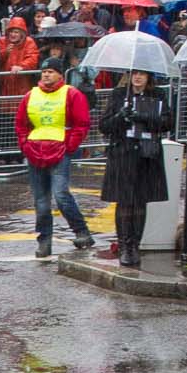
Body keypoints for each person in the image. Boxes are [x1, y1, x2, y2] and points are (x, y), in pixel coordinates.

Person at [17, 54, 95, 258]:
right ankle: (44, 241)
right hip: (35, 151)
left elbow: (82, 123)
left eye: (50, 71)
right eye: (43, 72)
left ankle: (81, 232)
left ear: (60, 75)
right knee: (41, 201)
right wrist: (25, 144)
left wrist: (70, 145)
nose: (46, 75)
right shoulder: (30, 95)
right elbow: (21, 124)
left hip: (60, 151)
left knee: (61, 195)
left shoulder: (72, 94)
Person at [98, 69, 171, 268]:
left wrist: (143, 116)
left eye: (142, 74)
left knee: (140, 202)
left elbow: (167, 122)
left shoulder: (158, 95)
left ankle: (134, 246)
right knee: (124, 202)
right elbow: (103, 125)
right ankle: (124, 245)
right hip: (122, 154)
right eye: (134, 74)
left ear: (148, 78)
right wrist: (121, 116)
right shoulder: (119, 94)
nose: (137, 78)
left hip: (147, 155)